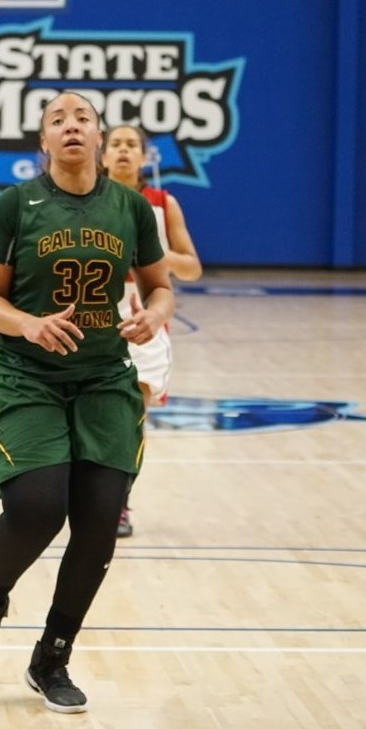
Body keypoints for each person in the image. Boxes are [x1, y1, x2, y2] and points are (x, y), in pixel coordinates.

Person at [0, 91, 173, 713]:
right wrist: (28, 324)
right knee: (37, 507)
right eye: (57, 120)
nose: (71, 126)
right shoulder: (15, 205)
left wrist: (153, 316)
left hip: (104, 377)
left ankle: (52, 658)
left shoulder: (131, 207)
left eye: (82, 117)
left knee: (100, 521)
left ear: (99, 135)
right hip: (25, 374)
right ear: (43, 141)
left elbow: (160, 287)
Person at [99, 123, 203, 537]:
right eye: (116, 144)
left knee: (129, 419)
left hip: (144, 317)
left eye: (132, 145)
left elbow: (192, 268)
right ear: (102, 154)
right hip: (94, 315)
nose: (124, 151)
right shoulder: (85, 197)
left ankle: (118, 505)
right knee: (95, 419)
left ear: (144, 157)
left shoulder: (163, 203)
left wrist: (154, 255)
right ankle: (87, 495)